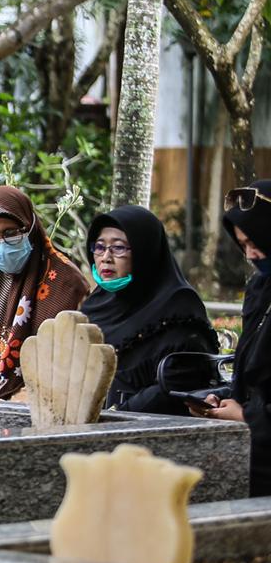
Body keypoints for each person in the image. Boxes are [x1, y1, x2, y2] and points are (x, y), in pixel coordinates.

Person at [0, 185, 88, 389]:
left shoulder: (67, 283)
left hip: (42, 403)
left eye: (10, 233)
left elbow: (72, 368)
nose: (1, 245)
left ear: (30, 227)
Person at [80, 205, 217, 414]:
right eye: (99, 247)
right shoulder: (96, 303)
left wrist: (116, 416)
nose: (105, 257)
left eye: (118, 248)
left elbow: (178, 383)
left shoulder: (178, 306)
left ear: (145, 251)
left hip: (149, 431)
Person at [194, 181, 271, 495]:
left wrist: (248, 416)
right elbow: (253, 369)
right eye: (242, 245)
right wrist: (226, 398)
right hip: (254, 454)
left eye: (256, 242)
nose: (251, 254)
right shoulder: (260, 288)